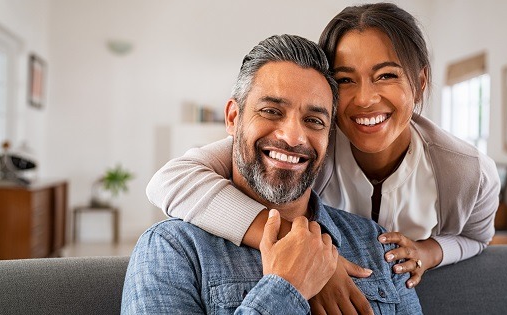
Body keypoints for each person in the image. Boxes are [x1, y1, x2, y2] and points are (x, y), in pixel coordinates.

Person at [146, 2, 500, 313]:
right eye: (345, 80)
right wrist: (305, 254)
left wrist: (430, 251)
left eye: (387, 75)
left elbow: (477, 237)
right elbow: (172, 180)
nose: (364, 99)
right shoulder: (307, 144)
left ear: (420, 82)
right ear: (233, 117)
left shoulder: (465, 171)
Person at [122, 34, 422, 314]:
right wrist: (285, 289)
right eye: (271, 111)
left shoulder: (375, 243)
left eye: (313, 120)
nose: (293, 137)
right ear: (233, 118)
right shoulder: (172, 249)